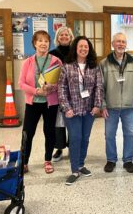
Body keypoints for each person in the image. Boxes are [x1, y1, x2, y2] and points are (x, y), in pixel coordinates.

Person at [58, 36, 103, 185]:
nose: (83, 49)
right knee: (75, 138)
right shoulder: (67, 66)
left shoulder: (94, 67)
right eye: (80, 46)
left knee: (85, 138)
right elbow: (62, 89)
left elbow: (99, 87)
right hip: (72, 110)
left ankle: (81, 164)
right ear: (75, 48)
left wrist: (97, 105)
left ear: (89, 49)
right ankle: (74, 170)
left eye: (86, 47)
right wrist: (66, 108)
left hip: (89, 110)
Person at [101, 32, 133, 173]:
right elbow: (100, 87)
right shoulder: (104, 63)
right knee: (109, 135)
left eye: (123, 42)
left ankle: (128, 160)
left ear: (126, 45)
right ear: (113, 44)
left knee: (129, 134)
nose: (121, 44)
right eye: (118, 41)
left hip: (129, 107)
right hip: (110, 106)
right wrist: (102, 105)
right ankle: (111, 160)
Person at [19, 30, 62, 174]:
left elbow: (61, 82)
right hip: (33, 103)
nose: (43, 43)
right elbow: (21, 83)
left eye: (46, 40)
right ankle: (24, 162)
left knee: (49, 132)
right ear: (35, 44)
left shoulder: (56, 61)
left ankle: (48, 160)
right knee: (28, 132)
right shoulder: (28, 62)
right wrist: (36, 91)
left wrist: (51, 87)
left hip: (51, 103)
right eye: (40, 40)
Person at [49, 26, 74, 162]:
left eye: (67, 35)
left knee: (72, 120)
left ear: (71, 37)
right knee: (58, 122)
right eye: (61, 35)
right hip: (57, 92)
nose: (64, 37)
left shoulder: (75, 52)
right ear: (57, 38)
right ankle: (59, 148)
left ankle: (72, 146)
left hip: (73, 93)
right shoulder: (52, 53)